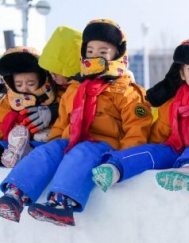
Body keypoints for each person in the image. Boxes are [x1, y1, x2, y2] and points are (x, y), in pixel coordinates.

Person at [0, 19, 151, 226]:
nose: (95, 55)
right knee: (48, 150)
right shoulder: (75, 88)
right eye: (90, 50)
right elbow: (63, 123)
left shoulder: (127, 92)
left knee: (82, 152)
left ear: (118, 54)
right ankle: (16, 194)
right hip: (73, 139)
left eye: (103, 50)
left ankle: (63, 203)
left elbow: (137, 128)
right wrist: (56, 145)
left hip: (104, 145)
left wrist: (121, 160)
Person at [90, 38, 189, 195]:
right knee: (152, 151)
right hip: (175, 147)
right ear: (182, 73)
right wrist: (152, 145)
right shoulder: (174, 101)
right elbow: (161, 130)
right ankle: (115, 168)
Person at [0, 47, 60, 169]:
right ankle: (11, 155)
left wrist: (53, 111)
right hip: (12, 140)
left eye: (31, 84)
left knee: (48, 148)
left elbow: (65, 113)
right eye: (19, 84)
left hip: (43, 140)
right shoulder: (8, 100)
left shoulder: (52, 96)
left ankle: (26, 154)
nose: (25, 88)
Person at [38, 26, 83, 91]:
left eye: (56, 72)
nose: (53, 76)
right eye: (50, 72)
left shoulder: (81, 91)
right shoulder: (50, 90)